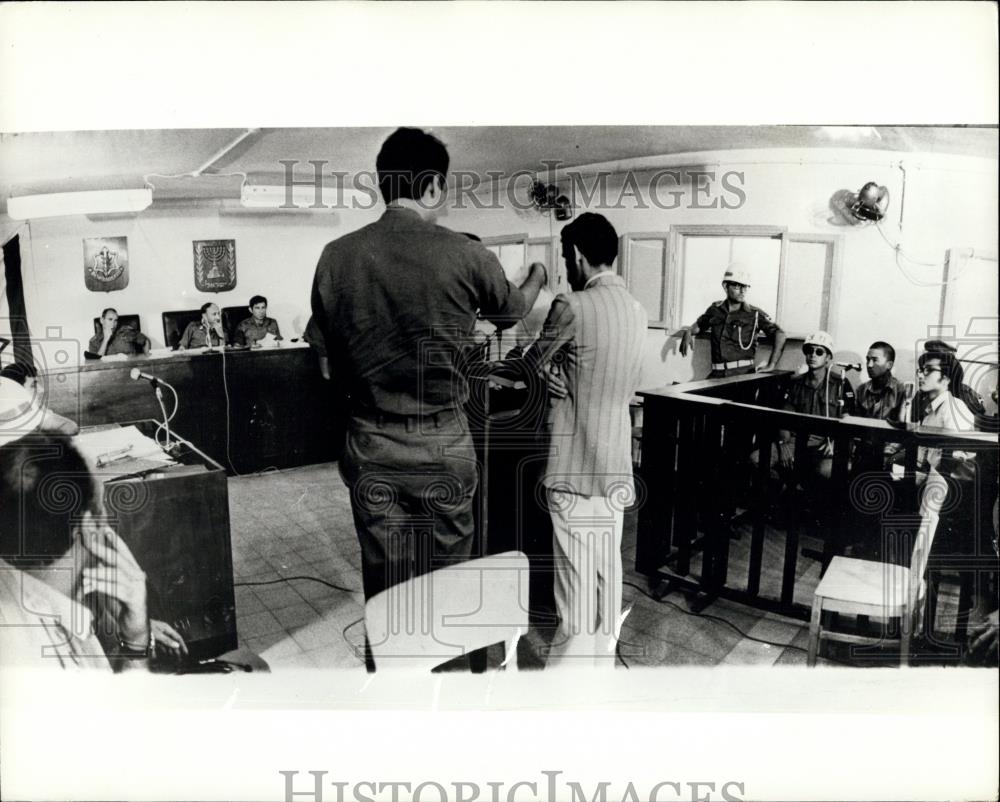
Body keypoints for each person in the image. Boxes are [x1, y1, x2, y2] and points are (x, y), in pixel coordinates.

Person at [310, 127, 547, 607]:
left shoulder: (336, 257)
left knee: (388, 587)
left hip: (372, 439)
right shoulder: (465, 252)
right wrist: (537, 275)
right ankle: (451, 674)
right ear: (434, 186)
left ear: (383, 186)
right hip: (441, 441)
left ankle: (395, 677)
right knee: (450, 586)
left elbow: (327, 366)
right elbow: (510, 312)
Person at [524, 213, 647, 667]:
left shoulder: (571, 304)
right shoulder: (636, 309)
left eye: (564, 256)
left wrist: (547, 371)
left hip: (573, 465)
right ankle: (600, 669)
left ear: (577, 256)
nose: (565, 265)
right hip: (616, 463)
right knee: (605, 574)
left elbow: (529, 361)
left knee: (573, 583)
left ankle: (566, 684)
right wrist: (560, 372)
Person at [755, 331, 854, 486]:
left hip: (824, 444)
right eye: (809, 351)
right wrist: (784, 444)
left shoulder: (840, 384)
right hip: (795, 441)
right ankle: (779, 495)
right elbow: (785, 418)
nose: (813, 355)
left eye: (819, 352)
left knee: (827, 471)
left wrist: (836, 442)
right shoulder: (796, 383)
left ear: (828, 358)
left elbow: (848, 419)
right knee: (756, 459)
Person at [679, 265, 787, 378]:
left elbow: (780, 334)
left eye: (745, 287)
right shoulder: (715, 310)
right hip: (717, 375)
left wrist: (771, 364)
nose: (742, 291)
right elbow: (700, 324)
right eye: (737, 287)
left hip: (742, 377)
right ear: (726, 286)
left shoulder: (754, 314)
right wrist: (689, 331)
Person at [0, 365, 78, 435]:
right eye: (33, 385)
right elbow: (71, 427)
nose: (41, 390)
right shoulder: (24, 410)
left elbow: (69, 426)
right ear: (16, 391)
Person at [855, 341, 906, 421]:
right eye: (868, 360)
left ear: (889, 365)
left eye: (875, 360)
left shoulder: (901, 390)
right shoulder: (861, 390)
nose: (869, 365)